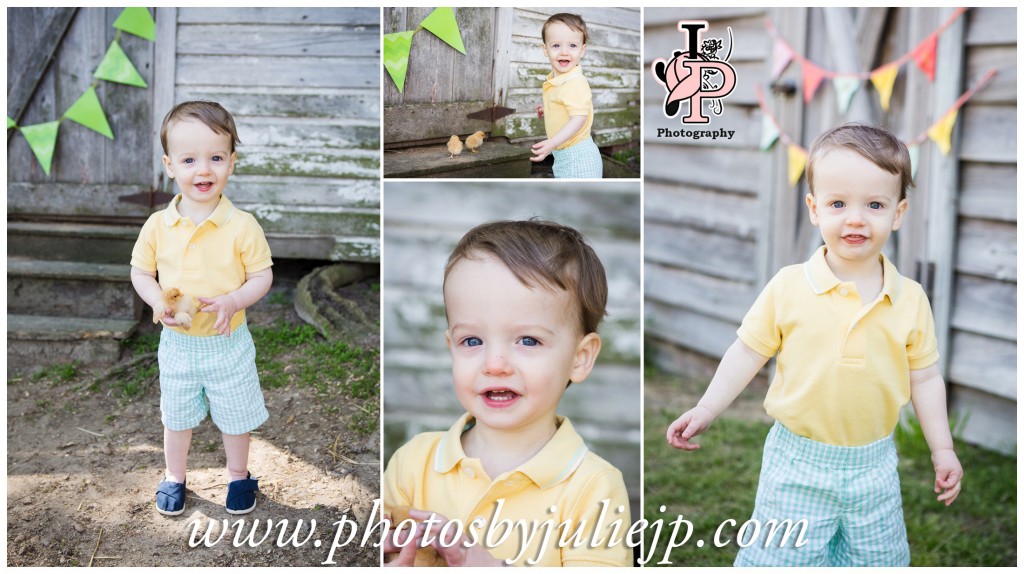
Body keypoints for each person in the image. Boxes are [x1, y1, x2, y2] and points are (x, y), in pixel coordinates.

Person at [666, 124, 963, 566]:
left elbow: (924, 377)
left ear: (898, 213)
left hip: (874, 466)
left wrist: (942, 447)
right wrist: (707, 408)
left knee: (876, 561)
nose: (856, 218)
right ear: (814, 208)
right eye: (838, 203)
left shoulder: (911, 298)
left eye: (875, 204)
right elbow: (748, 351)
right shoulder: (789, 287)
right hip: (797, 463)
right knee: (781, 560)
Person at [383, 220, 631, 566]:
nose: (495, 364)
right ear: (450, 347)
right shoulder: (413, 464)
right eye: (472, 341)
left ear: (580, 357)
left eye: (528, 340)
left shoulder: (594, 488)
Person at [130, 101, 273, 516]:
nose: (203, 170)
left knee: (236, 415)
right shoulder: (158, 225)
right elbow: (141, 273)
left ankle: (237, 475)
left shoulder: (242, 225)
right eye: (189, 159)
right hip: (177, 344)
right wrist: (158, 300)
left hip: (228, 341)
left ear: (231, 162)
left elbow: (261, 277)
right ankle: (175, 475)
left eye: (215, 158)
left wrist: (233, 300)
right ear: (170, 165)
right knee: (176, 416)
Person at [531, 13, 603, 178]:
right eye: (556, 45)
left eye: (572, 45)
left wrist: (553, 143)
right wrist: (549, 110)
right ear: (545, 49)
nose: (564, 52)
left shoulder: (574, 82)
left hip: (578, 158)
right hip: (565, 155)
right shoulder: (558, 80)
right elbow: (565, 105)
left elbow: (578, 118)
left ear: (582, 50)